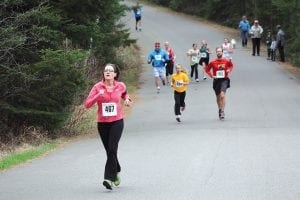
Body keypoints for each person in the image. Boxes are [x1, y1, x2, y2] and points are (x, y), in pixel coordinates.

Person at [84, 63, 132, 190]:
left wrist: (127, 99)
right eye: (106, 70)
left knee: (112, 148)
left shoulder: (120, 85)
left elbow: (125, 94)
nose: (108, 72)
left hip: (117, 121)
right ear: (103, 73)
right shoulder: (97, 87)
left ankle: (108, 178)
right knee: (109, 151)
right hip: (103, 123)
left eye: (111, 70)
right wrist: (97, 96)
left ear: (115, 74)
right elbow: (87, 104)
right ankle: (117, 169)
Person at [205, 47, 234, 120]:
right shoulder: (212, 62)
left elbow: (231, 65)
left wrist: (228, 70)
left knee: (222, 95)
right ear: (216, 52)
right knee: (218, 97)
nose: (219, 52)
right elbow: (207, 69)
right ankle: (220, 109)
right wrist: (212, 76)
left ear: (222, 52)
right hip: (216, 80)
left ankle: (223, 111)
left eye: (220, 51)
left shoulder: (226, 61)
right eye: (217, 51)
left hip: (224, 79)